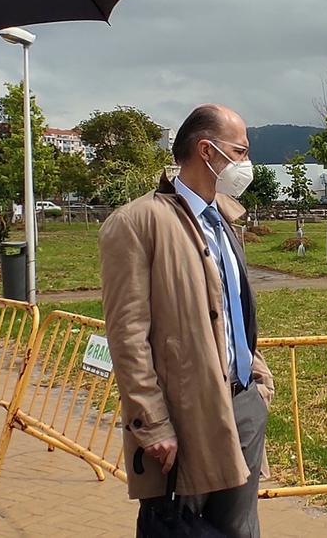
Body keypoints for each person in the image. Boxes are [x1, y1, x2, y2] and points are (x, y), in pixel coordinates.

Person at [101, 104, 275, 538]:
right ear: (207, 150)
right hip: (185, 419)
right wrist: (152, 422)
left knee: (238, 527)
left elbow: (235, 311)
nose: (245, 164)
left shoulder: (224, 223)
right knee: (185, 527)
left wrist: (258, 380)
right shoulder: (138, 223)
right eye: (240, 151)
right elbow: (127, 336)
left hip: (243, 403)